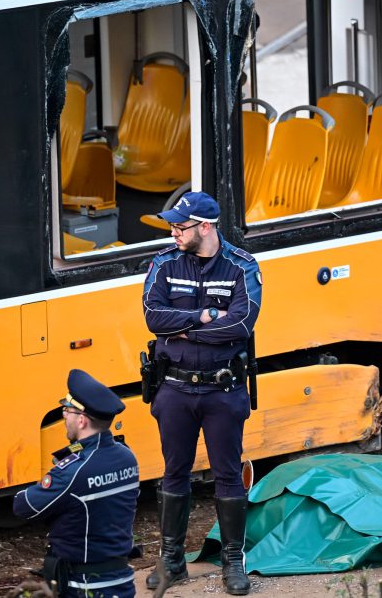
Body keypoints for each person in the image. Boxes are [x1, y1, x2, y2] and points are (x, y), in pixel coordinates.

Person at [142, 191, 262, 596]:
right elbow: (152, 316)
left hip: (223, 389)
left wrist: (184, 329)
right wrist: (204, 316)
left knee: (228, 475)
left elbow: (241, 324)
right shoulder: (163, 263)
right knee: (173, 473)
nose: (174, 233)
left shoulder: (241, 267)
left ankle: (233, 562)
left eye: (181, 227)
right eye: (173, 227)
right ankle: (172, 561)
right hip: (174, 388)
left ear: (205, 227)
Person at [13, 370, 139, 598]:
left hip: (85, 586)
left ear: (81, 420)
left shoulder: (73, 471)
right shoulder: (127, 456)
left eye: (67, 411)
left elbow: (24, 506)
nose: (64, 416)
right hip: (121, 582)